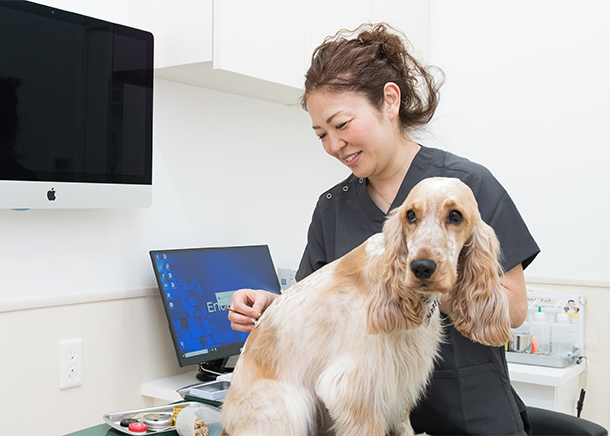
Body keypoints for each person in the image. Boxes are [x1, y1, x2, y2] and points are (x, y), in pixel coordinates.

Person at [227, 23, 539, 435]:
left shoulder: (468, 188)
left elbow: (513, 309)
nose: (334, 145)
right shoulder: (332, 208)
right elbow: (318, 311)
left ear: (389, 101)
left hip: (470, 415)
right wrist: (272, 308)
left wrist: (420, 278)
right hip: (368, 418)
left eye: (341, 125)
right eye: (321, 134)